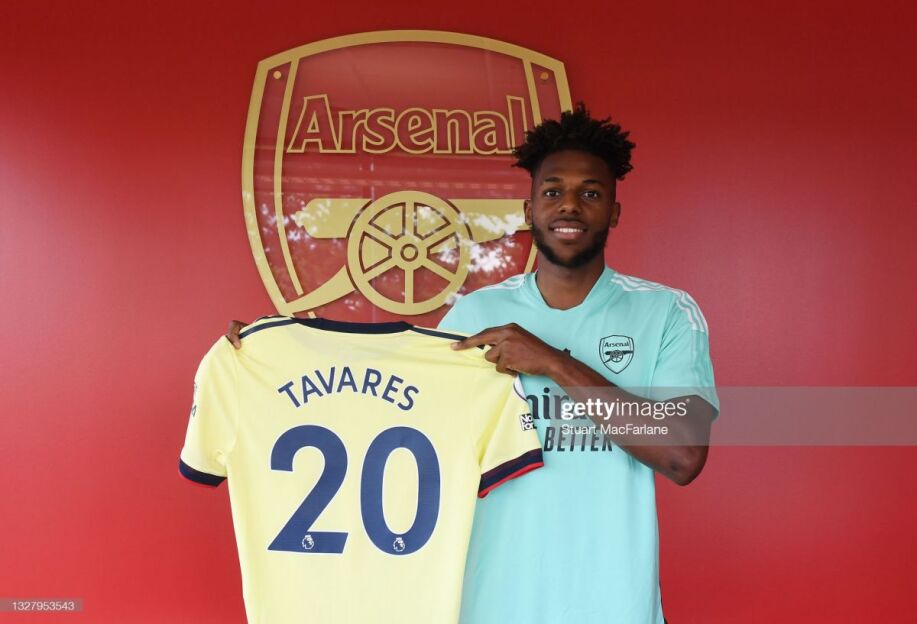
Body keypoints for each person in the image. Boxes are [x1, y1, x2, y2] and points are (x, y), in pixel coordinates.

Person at [225, 104, 718, 623]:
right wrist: (270, 355)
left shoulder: (665, 312)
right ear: (529, 210)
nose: (570, 206)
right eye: (553, 192)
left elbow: (682, 454)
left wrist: (553, 363)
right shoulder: (476, 315)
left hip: (611, 607)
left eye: (590, 193)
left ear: (614, 212)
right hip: (489, 604)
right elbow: (386, 413)